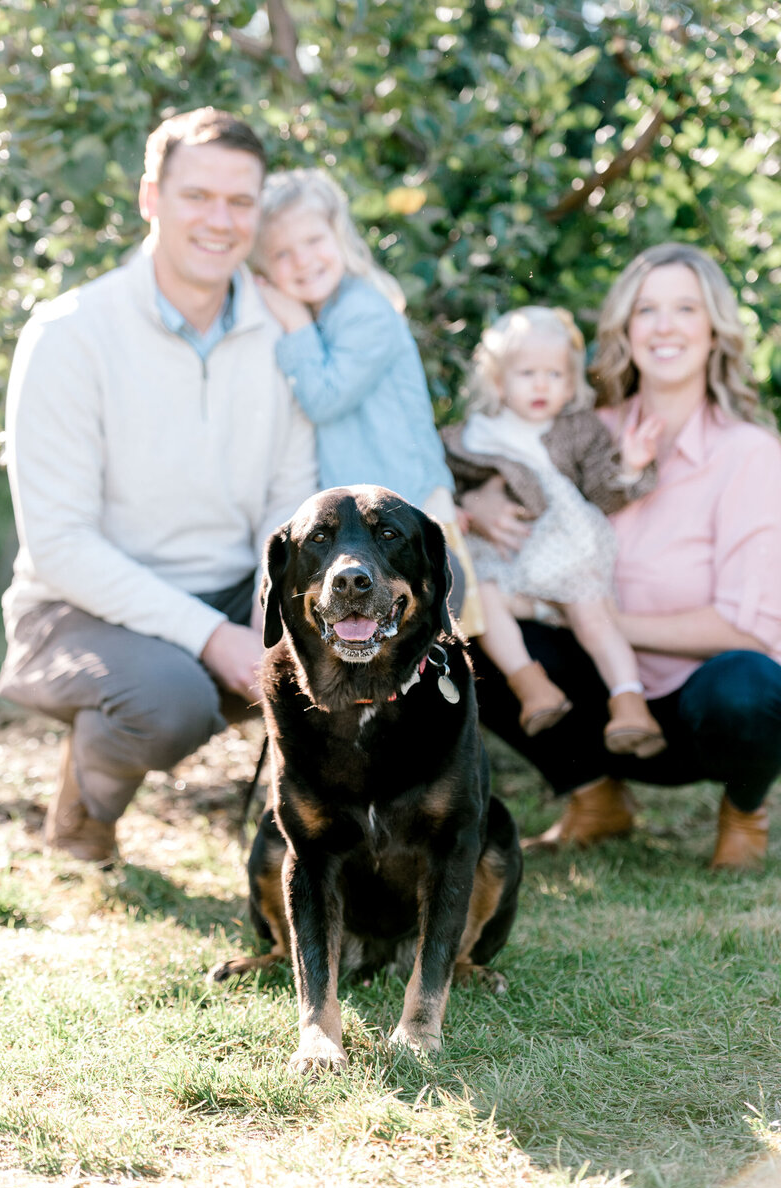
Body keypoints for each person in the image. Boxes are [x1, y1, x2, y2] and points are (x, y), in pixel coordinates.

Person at [0, 108, 317, 863]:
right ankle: (87, 805)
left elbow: (289, 505)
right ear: (150, 199)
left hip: (237, 588)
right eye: (197, 195)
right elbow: (63, 544)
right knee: (169, 701)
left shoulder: (283, 337)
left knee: (371, 612)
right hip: (80, 609)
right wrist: (215, 640)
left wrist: (276, 621)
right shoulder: (70, 333)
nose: (220, 219)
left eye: (241, 202)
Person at [463, 244, 781, 869]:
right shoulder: (576, 432)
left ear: (714, 329)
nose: (664, 326)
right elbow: (496, 458)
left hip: (693, 711)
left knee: (750, 685)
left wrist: (598, 619)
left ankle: (745, 810)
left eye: (684, 308)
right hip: (589, 696)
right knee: (467, 627)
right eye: (647, 310)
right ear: (625, 329)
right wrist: (480, 500)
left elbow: (752, 627)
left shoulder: (751, 455)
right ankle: (593, 795)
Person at [247, 166, 485, 635]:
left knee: (437, 628)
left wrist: (294, 325)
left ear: (340, 236)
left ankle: (521, 685)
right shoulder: (328, 314)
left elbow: (325, 399)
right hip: (366, 514)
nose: (302, 261)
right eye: (282, 254)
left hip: (407, 498)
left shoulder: (364, 311)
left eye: (314, 241)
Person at [443, 305, 666, 757]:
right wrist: (462, 503)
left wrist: (630, 465)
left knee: (594, 620)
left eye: (555, 374)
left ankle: (629, 703)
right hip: (511, 561)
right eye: (527, 373)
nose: (542, 385)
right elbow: (443, 481)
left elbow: (604, 492)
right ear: (499, 381)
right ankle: (532, 686)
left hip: (568, 553)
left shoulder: (578, 429)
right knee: (481, 601)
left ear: (572, 382)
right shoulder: (469, 436)